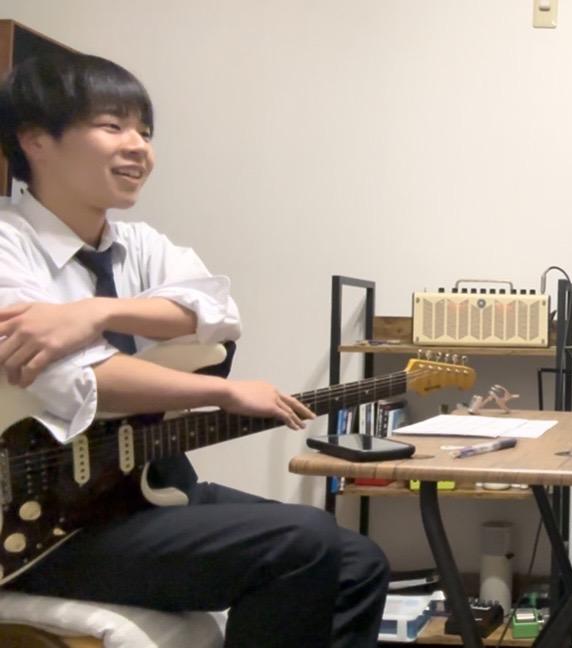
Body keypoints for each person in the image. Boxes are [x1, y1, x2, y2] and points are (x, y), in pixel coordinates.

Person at [0, 53, 389, 647]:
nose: (139, 148)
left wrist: (97, 312)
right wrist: (222, 393)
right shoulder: (8, 245)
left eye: (146, 132)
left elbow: (219, 313)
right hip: (46, 523)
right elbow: (77, 378)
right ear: (36, 140)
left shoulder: (138, 244)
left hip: (138, 487)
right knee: (302, 542)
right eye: (113, 126)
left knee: (359, 560)